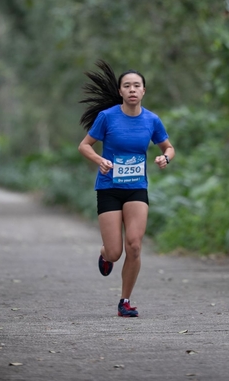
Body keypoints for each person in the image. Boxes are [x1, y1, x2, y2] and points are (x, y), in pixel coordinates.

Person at [78, 60, 175, 317]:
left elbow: (168, 147)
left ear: (144, 91)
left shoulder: (152, 120)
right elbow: (84, 146)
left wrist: (165, 157)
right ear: (120, 91)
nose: (132, 89)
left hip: (136, 189)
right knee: (115, 251)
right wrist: (100, 160)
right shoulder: (107, 117)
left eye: (137, 86)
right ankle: (104, 254)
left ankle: (125, 301)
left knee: (134, 246)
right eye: (127, 86)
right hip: (109, 187)